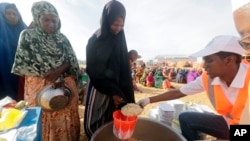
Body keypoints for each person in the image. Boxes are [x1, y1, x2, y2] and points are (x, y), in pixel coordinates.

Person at [137, 35, 248, 141]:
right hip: (228, 123)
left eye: (209, 60)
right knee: (185, 118)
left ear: (229, 60)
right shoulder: (208, 79)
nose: (204, 65)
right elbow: (179, 92)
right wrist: (148, 100)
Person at [11, 1, 80, 141]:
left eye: (54, 20)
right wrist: (49, 76)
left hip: (65, 87)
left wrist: (59, 73)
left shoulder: (62, 39)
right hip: (39, 87)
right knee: (42, 118)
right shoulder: (28, 36)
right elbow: (24, 63)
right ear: (37, 18)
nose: (51, 24)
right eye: (46, 19)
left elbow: (71, 61)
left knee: (65, 118)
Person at [84, 0, 135, 139]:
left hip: (115, 84)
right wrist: (111, 90)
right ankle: (94, 137)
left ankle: (106, 136)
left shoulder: (120, 39)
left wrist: (118, 90)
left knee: (110, 113)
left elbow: (122, 66)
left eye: (121, 25)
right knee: (95, 117)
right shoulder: (96, 40)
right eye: (114, 24)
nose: (118, 28)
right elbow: (95, 69)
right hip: (98, 83)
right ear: (106, 20)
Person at [0, 3, 27, 100]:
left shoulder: (24, 30)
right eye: (8, 13)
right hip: (3, 73)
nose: (12, 16)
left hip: (21, 75)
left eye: (15, 14)